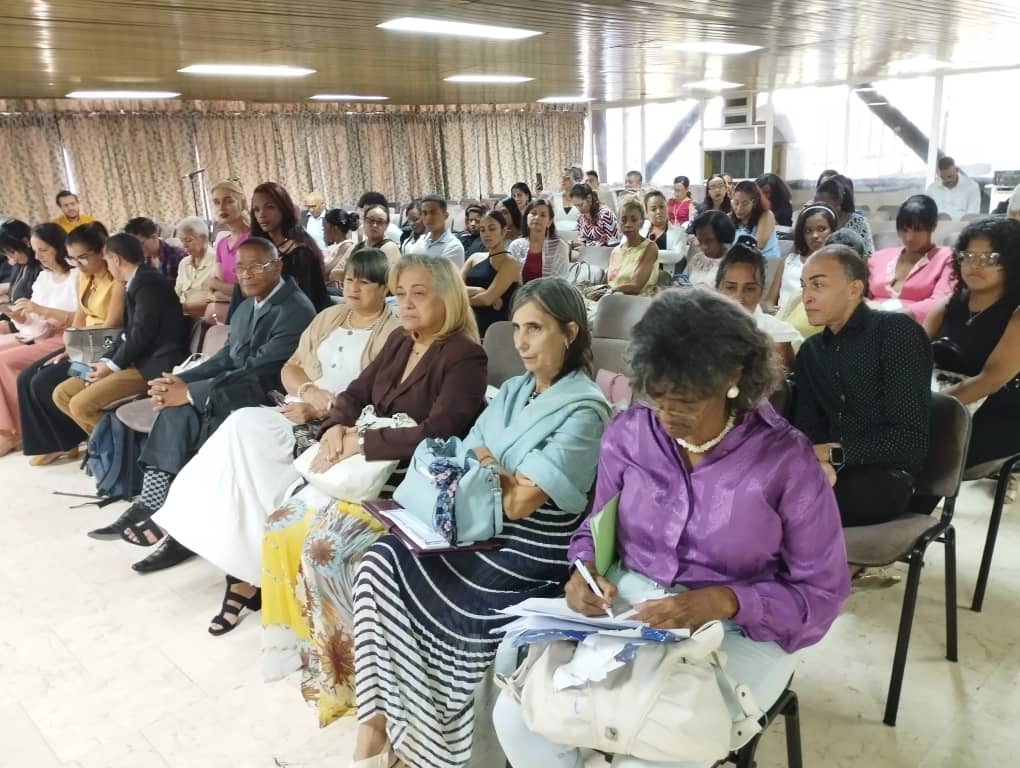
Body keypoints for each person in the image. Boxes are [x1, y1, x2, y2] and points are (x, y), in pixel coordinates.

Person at [495, 288, 851, 768]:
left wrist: (726, 600)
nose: (668, 417)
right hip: (631, 609)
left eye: (685, 402)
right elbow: (594, 529)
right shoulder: (631, 433)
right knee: (516, 719)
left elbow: (822, 595)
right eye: (658, 398)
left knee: (653, 753)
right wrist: (583, 570)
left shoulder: (785, 461)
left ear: (734, 376)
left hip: (743, 629)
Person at [351, 278, 610, 767]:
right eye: (517, 328)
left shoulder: (586, 410)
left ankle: (427, 747)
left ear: (570, 332)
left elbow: (521, 506)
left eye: (535, 329)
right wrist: (497, 468)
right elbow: (462, 455)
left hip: (533, 546)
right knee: (379, 561)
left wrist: (486, 463)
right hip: (476, 525)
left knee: (465, 615)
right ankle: (381, 726)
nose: (521, 342)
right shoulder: (513, 390)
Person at [260, 254, 487, 724]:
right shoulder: (401, 340)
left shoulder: (464, 356)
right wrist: (334, 429)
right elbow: (356, 393)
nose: (406, 304)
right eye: (401, 294)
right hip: (361, 465)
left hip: (405, 482)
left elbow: (439, 433)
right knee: (280, 524)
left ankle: (356, 674)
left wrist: (360, 441)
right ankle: (315, 649)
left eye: (419, 293)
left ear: (447, 296)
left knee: (323, 550)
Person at [151, 248, 401, 633]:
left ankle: (239, 575)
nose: (353, 288)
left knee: (255, 465)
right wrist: (309, 392)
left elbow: (382, 397)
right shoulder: (330, 317)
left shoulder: (393, 331)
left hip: (339, 421)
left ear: (385, 288)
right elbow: (292, 367)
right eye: (349, 279)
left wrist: (323, 408)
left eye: (365, 282)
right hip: (298, 405)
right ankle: (198, 533)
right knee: (240, 427)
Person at [88, 238, 317, 573]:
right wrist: (180, 380)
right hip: (232, 387)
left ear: (277, 266)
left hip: (265, 396)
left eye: (256, 266)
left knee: (195, 416)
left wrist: (192, 392)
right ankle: (153, 502)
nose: (246, 274)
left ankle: (180, 530)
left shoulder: (295, 309)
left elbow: (259, 369)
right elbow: (226, 357)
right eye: (240, 267)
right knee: (174, 407)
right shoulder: (248, 305)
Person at [793, 245, 932, 527]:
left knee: (787, 507)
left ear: (854, 289)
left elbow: (910, 440)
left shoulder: (895, 333)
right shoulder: (811, 352)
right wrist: (818, 462)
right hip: (828, 472)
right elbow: (806, 426)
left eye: (818, 285)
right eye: (804, 286)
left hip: (885, 477)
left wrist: (832, 453)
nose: (806, 297)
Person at [52, 231, 187, 442]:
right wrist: (105, 361)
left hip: (151, 365)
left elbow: (140, 334)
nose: (107, 266)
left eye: (107, 260)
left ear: (116, 259)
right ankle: (107, 446)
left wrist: (111, 367)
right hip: (132, 360)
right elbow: (127, 332)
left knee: (80, 405)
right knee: (62, 394)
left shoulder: (148, 283)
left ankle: (124, 449)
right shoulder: (134, 282)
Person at [17, 222, 124, 464]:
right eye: (73, 259)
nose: (78, 264)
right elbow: (79, 318)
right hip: (84, 345)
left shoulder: (115, 282)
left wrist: (78, 351)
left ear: (102, 252)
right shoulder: (84, 278)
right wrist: (69, 349)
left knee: (44, 381)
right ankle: (58, 441)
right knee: (28, 377)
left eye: (83, 258)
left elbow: (110, 327)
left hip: (104, 347)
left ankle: (70, 438)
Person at [923, 217, 1020, 469]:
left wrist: (927, 407)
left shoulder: (1016, 315)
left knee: (916, 448)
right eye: (968, 256)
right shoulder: (946, 306)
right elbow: (911, 357)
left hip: (997, 415)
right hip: (941, 403)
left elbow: (991, 379)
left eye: (990, 258)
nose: (975, 265)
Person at [0, 224, 78, 456]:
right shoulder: (43, 277)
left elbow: (80, 318)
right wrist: (20, 318)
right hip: (42, 333)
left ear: (59, 248)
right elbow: (34, 321)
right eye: (35, 251)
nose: (38, 256)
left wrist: (41, 310)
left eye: (43, 250)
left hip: (67, 336)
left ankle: (13, 431)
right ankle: (8, 428)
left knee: (5, 361)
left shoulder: (76, 276)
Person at [243, 181, 331, 313]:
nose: (262, 214)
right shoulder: (259, 248)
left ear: (283, 208)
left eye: (270, 207)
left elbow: (305, 303)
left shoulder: (300, 252)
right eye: (256, 210)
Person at [868, 195, 955, 323]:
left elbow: (940, 302)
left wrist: (894, 317)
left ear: (933, 226)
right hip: (871, 324)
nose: (909, 237)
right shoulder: (878, 257)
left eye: (917, 230)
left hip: (916, 327)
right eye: (904, 230)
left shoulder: (947, 258)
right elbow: (860, 297)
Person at [716, 242, 801, 368]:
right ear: (717, 288)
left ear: (761, 291)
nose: (739, 298)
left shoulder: (777, 337)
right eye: (730, 288)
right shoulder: (701, 329)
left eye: (749, 289)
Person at [766, 203, 838, 312]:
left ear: (833, 231)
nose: (814, 235)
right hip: (781, 318)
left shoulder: (837, 265)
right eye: (808, 231)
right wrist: (770, 309)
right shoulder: (788, 261)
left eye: (821, 229)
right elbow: (769, 301)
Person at [463, 210, 520, 336]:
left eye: (492, 229)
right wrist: (479, 290)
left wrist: (461, 298)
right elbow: (454, 288)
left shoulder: (510, 263)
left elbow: (487, 299)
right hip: (468, 325)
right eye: (482, 230)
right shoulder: (474, 257)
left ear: (503, 231)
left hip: (494, 329)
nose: (486, 234)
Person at [207, 179, 250, 306]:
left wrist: (217, 286)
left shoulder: (253, 239)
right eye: (216, 202)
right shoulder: (221, 244)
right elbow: (216, 291)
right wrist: (220, 289)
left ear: (242, 203)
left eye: (229, 201)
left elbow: (250, 290)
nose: (221, 208)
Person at [606, 198, 659, 296]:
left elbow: (636, 287)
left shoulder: (650, 248)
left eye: (634, 220)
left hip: (637, 301)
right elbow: (607, 283)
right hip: (611, 299)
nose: (628, 225)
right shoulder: (615, 251)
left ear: (642, 222)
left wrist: (610, 292)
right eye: (623, 220)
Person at [509, 199, 570, 284]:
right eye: (533, 213)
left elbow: (561, 281)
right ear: (526, 218)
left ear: (549, 222)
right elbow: (509, 278)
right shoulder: (516, 245)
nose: (537, 217)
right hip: (519, 291)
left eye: (543, 215)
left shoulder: (559, 246)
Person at [815, 175, 875, 256]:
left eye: (824, 203)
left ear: (838, 201)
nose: (821, 208)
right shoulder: (817, 220)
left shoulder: (858, 222)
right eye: (817, 203)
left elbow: (868, 254)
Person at [173, 216, 217, 314]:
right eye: (182, 241)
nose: (184, 245)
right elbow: (177, 293)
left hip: (204, 316)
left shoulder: (216, 262)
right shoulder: (184, 263)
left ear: (204, 238)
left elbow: (216, 302)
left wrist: (180, 309)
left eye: (189, 240)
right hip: (181, 314)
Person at [406, 195, 465, 266]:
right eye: (424, 213)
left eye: (433, 213)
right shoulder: (422, 240)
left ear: (445, 216)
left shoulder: (454, 247)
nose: (428, 218)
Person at [123, 217, 186, 282]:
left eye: (141, 243)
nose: (137, 249)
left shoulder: (177, 257)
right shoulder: (140, 260)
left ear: (154, 237)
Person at [730, 180, 779, 261]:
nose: (739, 208)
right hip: (739, 261)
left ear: (754, 202)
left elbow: (759, 244)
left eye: (744, 204)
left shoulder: (766, 215)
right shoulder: (729, 218)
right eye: (736, 202)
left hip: (766, 261)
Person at [685, 210, 736, 286]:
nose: (703, 247)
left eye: (709, 241)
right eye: (700, 241)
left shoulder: (734, 264)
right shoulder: (697, 259)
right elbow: (683, 281)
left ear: (723, 237)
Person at [0, 222, 42, 313]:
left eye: (12, 252)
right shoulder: (20, 265)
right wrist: (8, 297)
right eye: (6, 253)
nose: (11, 258)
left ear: (25, 242)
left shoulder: (40, 268)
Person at [570, 183, 619, 248]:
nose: (579, 209)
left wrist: (587, 249)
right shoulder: (580, 217)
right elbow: (583, 241)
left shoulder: (606, 214)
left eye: (581, 205)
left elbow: (614, 244)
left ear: (589, 198)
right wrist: (577, 244)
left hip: (604, 253)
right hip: (587, 252)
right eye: (576, 206)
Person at [356, 205, 403, 269]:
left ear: (386, 225)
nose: (374, 225)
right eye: (371, 220)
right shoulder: (359, 246)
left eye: (380, 222)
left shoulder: (389, 248)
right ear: (364, 221)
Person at [322, 208, 358, 285]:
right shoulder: (334, 246)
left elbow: (327, 271)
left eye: (325, 226)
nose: (323, 230)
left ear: (335, 229)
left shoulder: (346, 245)